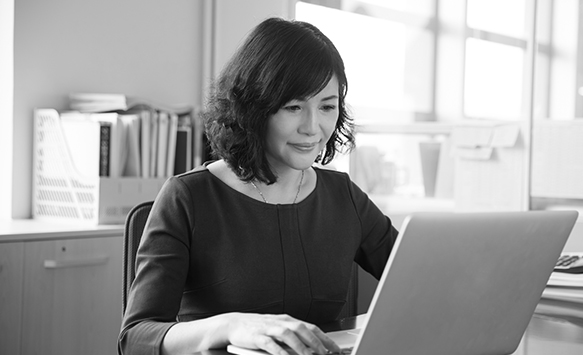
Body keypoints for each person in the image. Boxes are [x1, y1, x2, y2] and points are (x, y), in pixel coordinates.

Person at [118, 17, 398, 355]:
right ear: (254, 108)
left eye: (327, 106)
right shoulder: (188, 197)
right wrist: (231, 326)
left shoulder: (344, 196)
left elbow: (421, 280)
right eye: (293, 107)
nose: (313, 127)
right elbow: (135, 338)